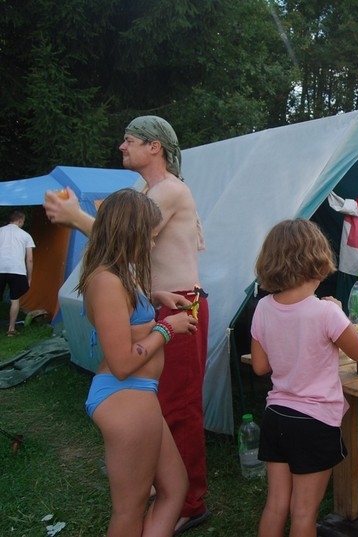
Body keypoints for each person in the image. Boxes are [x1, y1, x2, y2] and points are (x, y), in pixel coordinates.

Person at [44, 116, 210, 533]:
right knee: (161, 401)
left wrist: (75, 216)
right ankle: (155, 480)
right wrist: (154, 300)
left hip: (179, 304)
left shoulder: (168, 189)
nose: (122, 146)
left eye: (130, 140)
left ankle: (189, 501)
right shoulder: (145, 194)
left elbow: (122, 237)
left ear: (155, 147)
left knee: (179, 405)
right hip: (155, 306)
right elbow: (124, 242)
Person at [77, 189, 198, 537]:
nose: (151, 244)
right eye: (148, 235)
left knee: (174, 487)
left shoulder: (120, 275)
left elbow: (127, 317)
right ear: (128, 232)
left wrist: (155, 299)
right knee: (129, 510)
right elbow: (122, 363)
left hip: (139, 395)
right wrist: (167, 328)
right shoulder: (106, 281)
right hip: (124, 394)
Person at [249, 218, 358, 537]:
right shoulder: (326, 312)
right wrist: (340, 314)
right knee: (303, 513)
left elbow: (259, 366)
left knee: (276, 505)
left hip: (276, 416)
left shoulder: (263, 308)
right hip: (315, 421)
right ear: (317, 262)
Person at [0, 210, 34, 336]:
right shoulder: (25, 235)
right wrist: (29, 277)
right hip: (17, 270)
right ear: (20, 220)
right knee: (15, 299)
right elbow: (29, 259)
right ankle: (11, 329)